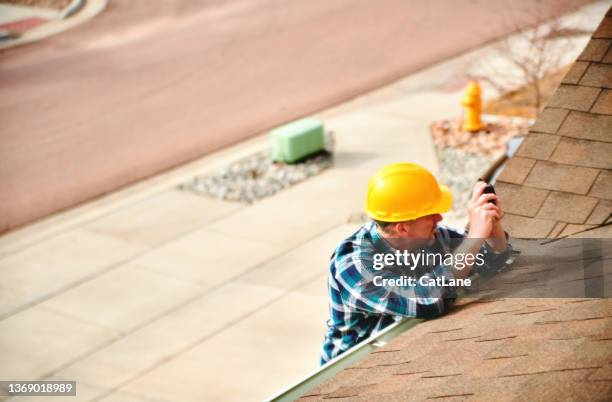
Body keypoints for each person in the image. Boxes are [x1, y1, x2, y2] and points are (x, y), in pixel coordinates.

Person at [320, 162, 511, 365]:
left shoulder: (427, 235)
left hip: (402, 348)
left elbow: (490, 260)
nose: (440, 217)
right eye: (431, 214)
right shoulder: (354, 266)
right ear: (402, 228)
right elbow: (426, 300)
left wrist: (491, 225)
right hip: (350, 371)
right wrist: (475, 236)